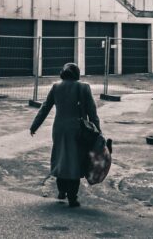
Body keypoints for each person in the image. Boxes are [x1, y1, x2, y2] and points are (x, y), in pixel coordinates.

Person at [29, 62, 100, 208]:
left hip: (59, 128)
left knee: (61, 158)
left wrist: (34, 126)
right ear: (77, 74)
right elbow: (92, 112)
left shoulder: (56, 87)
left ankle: (61, 191)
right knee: (75, 161)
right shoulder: (84, 87)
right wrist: (98, 130)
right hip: (78, 130)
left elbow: (45, 108)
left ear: (63, 73)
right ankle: (72, 198)